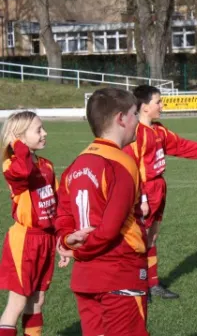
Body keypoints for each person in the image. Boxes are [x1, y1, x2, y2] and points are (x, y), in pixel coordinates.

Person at [55, 87, 149, 336]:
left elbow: (62, 214)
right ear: (121, 118)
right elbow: (109, 229)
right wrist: (79, 249)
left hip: (85, 279)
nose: (138, 120)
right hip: (119, 272)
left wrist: (67, 239)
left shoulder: (75, 164)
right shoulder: (122, 163)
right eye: (135, 114)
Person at [124, 85, 197, 299]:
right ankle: (136, 285)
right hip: (144, 192)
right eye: (158, 102)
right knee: (137, 240)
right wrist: (141, 198)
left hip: (159, 188)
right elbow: (131, 168)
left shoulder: (159, 130)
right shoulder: (135, 134)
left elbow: (181, 146)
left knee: (152, 237)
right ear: (144, 107)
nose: (162, 106)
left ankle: (152, 284)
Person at [0, 111, 60, 336]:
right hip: (25, 240)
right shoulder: (11, 165)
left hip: (46, 238)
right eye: (38, 130)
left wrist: (61, 239)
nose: (45, 133)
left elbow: (58, 205)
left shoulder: (46, 165)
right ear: (20, 138)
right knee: (17, 303)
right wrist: (17, 144)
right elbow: (24, 171)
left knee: (37, 300)